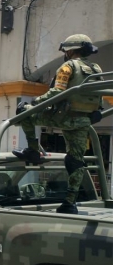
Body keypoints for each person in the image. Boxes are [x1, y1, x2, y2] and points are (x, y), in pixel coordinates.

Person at [13, 34, 101, 214]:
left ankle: (33, 151)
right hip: (84, 120)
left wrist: (34, 103)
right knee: (76, 160)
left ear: (71, 50)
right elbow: (99, 93)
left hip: (63, 116)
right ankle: (70, 203)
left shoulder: (68, 66)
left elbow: (57, 91)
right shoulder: (96, 68)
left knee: (25, 114)